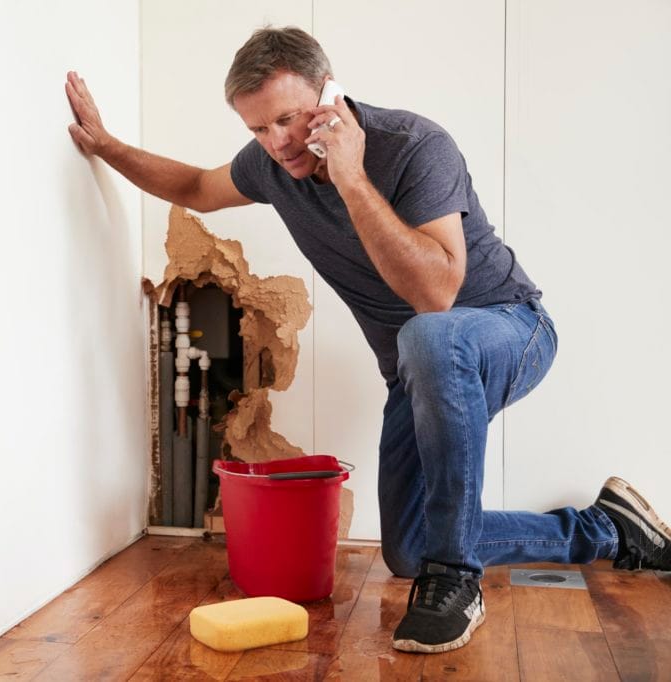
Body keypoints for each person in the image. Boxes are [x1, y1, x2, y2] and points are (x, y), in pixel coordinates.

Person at [65, 26, 671, 654]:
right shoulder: (274, 166)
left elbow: (436, 293)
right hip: (417, 366)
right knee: (409, 548)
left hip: (510, 329)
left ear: (330, 94)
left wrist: (351, 177)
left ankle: (457, 579)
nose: (276, 144)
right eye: (257, 130)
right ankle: (605, 531)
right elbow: (194, 188)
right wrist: (105, 145)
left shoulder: (415, 147)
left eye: (289, 120)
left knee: (430, 335)